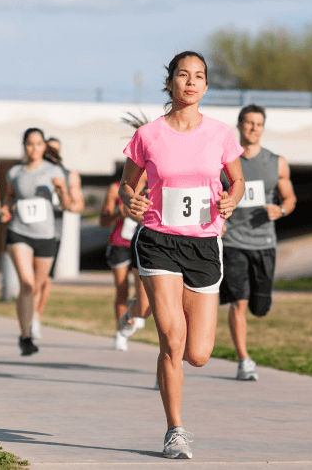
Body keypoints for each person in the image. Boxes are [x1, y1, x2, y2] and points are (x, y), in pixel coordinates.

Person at [120, 51, 244, 459]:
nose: (191, 82)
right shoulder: (149, 135)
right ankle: (175, 429)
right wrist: (131, 203)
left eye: (199, 77)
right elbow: (127, 185)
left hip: (204, 245)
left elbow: (237, 180)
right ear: (170, 82)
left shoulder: (221, 134)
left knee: (199, 354)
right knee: (172, 339)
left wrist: (231, 200)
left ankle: (174, 379)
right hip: (158, 240)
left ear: (206, 86)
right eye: (183, 75)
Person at [219, 104, 297, 381]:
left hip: (264, 243)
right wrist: (219, 218)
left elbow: (289, 198)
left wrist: (282, 210)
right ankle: (244, 360)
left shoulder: (276, 162)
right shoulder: (225, 161)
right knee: (238, 302)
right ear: (239, 125)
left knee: (260, 309)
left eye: (258, 124)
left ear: (263, 128)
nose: (253, 128)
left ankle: (256, 309)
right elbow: (210, 192)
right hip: (234, 242)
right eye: (249, 123)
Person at [2, 128, 71, 356]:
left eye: (38, 144)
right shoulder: (14, 172)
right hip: (19, 232)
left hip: (45, 235)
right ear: (24, 146)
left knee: (39, 286)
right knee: (27, 284)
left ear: (44, 147)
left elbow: (67, 205)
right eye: (30, 144)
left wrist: (61, 190)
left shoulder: (54, 170)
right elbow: (9, 196)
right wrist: (5, 209)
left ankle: (34, 320)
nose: (34, 148)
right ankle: (25, 336)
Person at [31, 137, 84, 339]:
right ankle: (29, 313)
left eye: (55, 150)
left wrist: (63, 196)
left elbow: (77, 206)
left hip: (54, 232)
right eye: (48, 150)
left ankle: (36, 316)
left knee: (44, 280)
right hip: (29, 230)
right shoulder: (30, 171)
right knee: (30, 279)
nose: (51, 153)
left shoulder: (68, 175)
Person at [100, 167, 151, 351]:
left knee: (143, 292)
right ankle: (120, 334)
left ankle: (135, 308)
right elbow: (103, 221)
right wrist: (120, 213)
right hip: (120, 243)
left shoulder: (154, 186)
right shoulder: (116, 189)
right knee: (122, 289)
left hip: (143, 242)